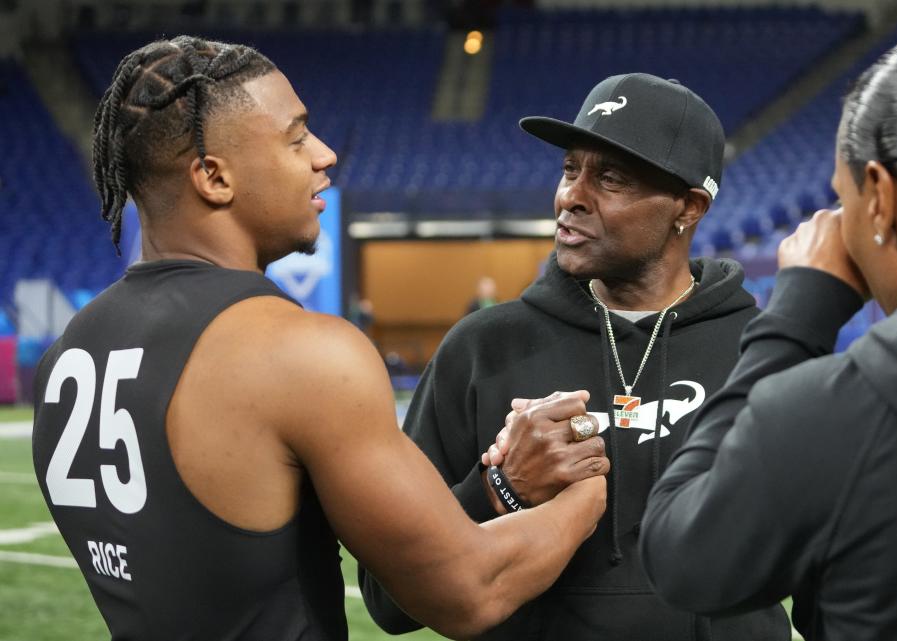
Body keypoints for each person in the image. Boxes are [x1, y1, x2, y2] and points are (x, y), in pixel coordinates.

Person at [30, 36, 608, 641]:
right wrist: (590, 491)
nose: (325, 155)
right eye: (296, 137)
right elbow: (469, 591)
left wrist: (504, 488)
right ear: (213, 177)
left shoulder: (68, 351)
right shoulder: (300, 353)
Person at [361, 73, 789, 640]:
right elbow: (388, 601)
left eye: (609, 178)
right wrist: (502, 490)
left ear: (688, 207)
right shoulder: (481, 349)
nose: (570, 196)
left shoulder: (763, 355)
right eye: (570, 170)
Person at [640, 33, 897, 641]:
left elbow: (682, 554)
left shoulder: (840, 415)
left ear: (881, 199)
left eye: (844, 200)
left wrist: (798, 314)